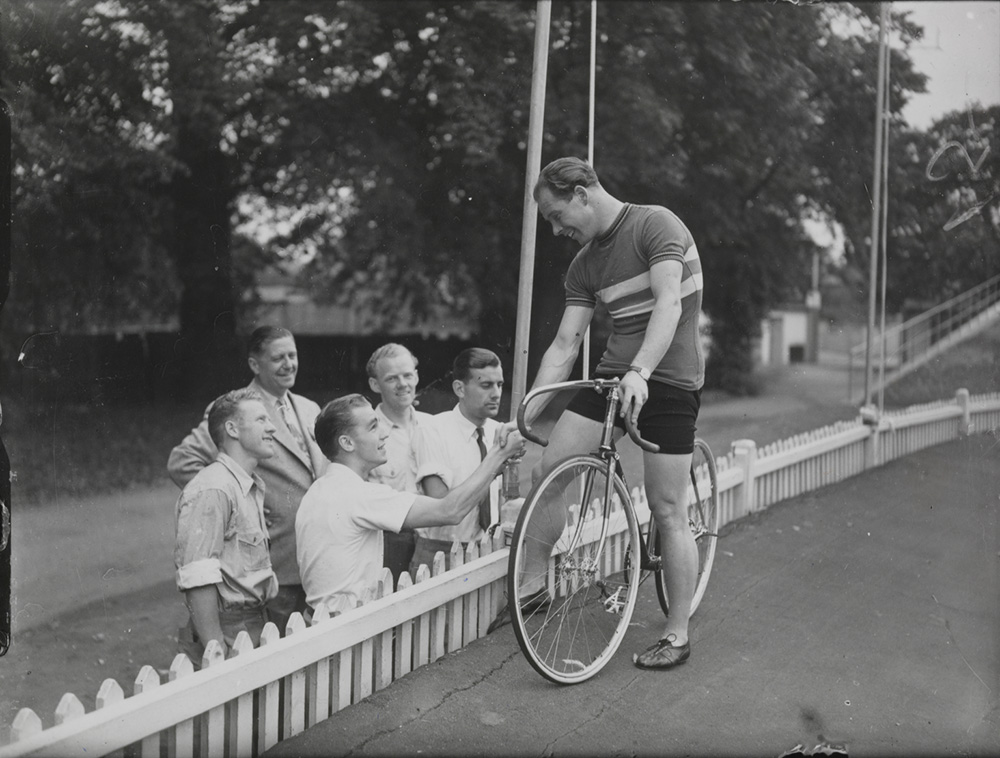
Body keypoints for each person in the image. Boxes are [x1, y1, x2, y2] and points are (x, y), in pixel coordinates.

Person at [507, 157, 705, 670]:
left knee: (667, 510)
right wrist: (526, 409)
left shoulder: (655, 224)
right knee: (549, 469)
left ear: (581, 193)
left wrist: (641, 371)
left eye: (557, 215)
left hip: (668, 380)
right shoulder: (585, 264)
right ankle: (532, 588)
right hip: (613, 376)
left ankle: (677, 635)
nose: (555, 229)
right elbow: (565, 344)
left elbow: (669, 304)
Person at [295, 394, 524, 614]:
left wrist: (492, 470)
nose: (384, 433)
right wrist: (498, 454)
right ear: (346, 443)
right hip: (347, 631)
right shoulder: (359, 495)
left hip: (323, 621)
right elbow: (449, 511)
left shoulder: (318, 490)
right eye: (373, 427)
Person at [168, 326, 327, 633]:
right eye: (278, 358)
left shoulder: (309, 409)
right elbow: (181, 461)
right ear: (255, 365)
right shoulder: (236, 409)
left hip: (315, 555)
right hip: (273, 561)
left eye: (292, 356)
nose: (289, 364)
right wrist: (244, 504)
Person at [174, 388, 279, 663]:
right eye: (261, 420)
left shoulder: (247, 485)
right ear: (232, 429)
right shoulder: (214, 488)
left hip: (254, 624)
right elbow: (198, 576)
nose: (272, 429)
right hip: (229, 630)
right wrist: (215, 647)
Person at [408, 348, 506, 575]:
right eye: (486, 385)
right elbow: (441, 505)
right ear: (459, 389)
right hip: (440, 556)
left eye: (499, 385)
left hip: (489, 550)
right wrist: (494, 464)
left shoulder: (497, 431)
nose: (496, 393)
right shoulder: (432, 431)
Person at [365, 343, 432, 580]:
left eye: (407, 375)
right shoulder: (365, 435)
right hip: (389, 545)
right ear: (375, 385)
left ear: (416, 376)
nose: (403, 384)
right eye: (392, 378)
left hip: (434, 541)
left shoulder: (434, 426)